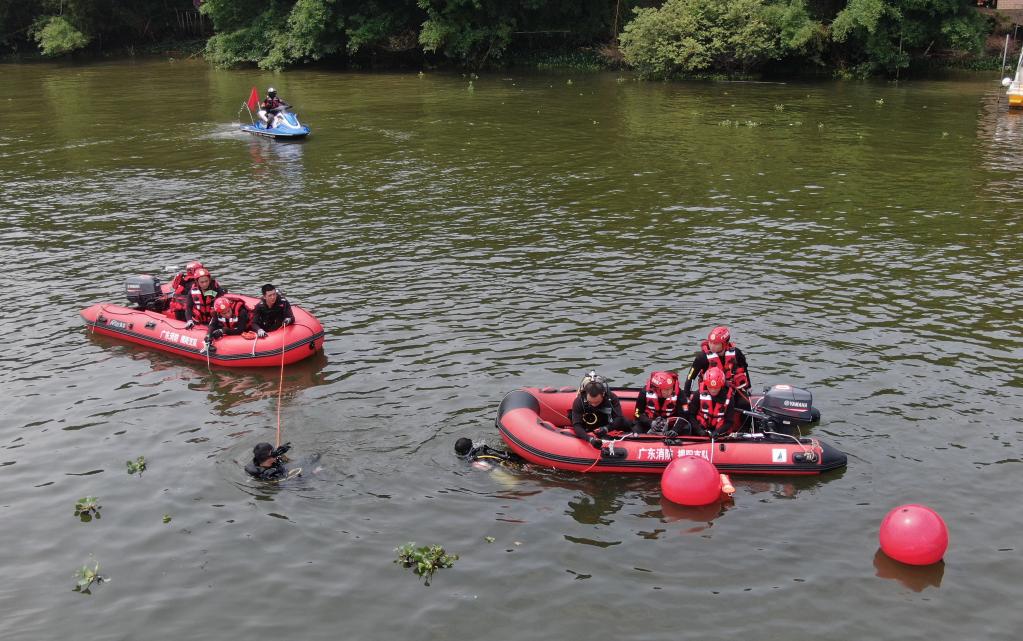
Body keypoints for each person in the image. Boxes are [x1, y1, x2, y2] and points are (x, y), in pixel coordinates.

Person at [682, 326, 751, 404]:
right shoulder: (702, 358)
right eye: (710, 342)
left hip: (732, 389)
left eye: (716, 344)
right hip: (711, 390)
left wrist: (748, 388)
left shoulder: (736, 353)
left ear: (724, 344)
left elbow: (744, 370)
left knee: (745, 403)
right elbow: (690, 377)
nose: (712, 346)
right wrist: (687, 396)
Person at [571, 371, 634, 448]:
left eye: (597, 402)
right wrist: (590, 439)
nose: (593, 405)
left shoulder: (611, 398)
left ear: (603, 394)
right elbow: (577, 425)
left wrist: (606, 429)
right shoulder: (579, 401)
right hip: (590, 426)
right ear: (585, 394)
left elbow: (619, 418)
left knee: (626, 421)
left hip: (607, 424)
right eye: (590, 402)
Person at [684, 367, 750, 438]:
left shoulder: (729, 398)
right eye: (710, 387)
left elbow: (729, 421)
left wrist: (718, 432)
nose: (713, 390)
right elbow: (691, 415)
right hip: (701, 429)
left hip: (719, 431)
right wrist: (699, 430)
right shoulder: (698, 394)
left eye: (716, 388)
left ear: (721, 385)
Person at [634, 370, 686, 436]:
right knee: (636, 428)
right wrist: (650, 422)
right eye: (666, 390)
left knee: (685, 429)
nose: (670, 392)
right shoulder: (644, 393)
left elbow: (684, 415)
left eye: (671, 388)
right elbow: (637, 413)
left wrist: (675, 430)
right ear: (657, 390)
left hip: (670, 425)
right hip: (650, 422)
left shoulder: (680, 394)